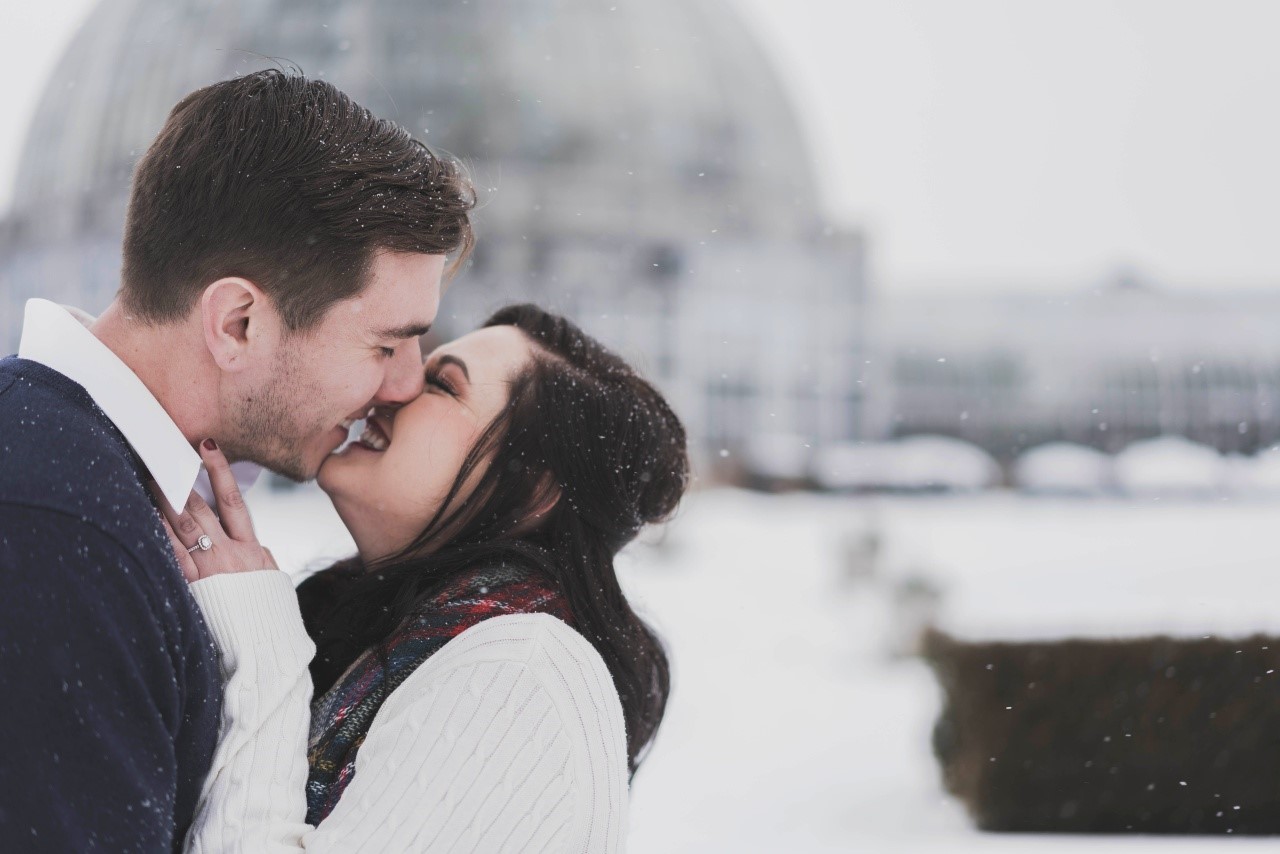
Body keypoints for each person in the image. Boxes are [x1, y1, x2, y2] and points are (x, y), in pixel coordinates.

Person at [0, 69, 474, 852]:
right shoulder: (56, 531)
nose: (405, 383)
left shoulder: (83, 490)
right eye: (385, 344)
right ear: (239, 323)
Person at [162, 305, 688, 852]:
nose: (394, 389)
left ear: (535, 489)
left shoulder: (520, 675)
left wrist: (261, 646)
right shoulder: (393, 636)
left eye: (441, 384)